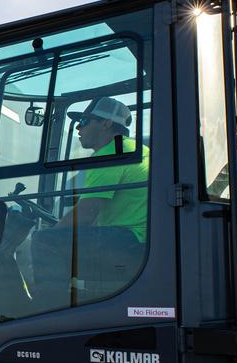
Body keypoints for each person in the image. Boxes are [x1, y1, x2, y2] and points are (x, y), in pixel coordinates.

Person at [31, 97, 150, 306]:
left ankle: (48, 314)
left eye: (84, 121)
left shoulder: (110, 154)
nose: (78, 127)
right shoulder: (136, 149)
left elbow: (86, 214)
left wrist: (54, 231)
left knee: (45, 241)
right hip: (139, 242)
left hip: (127, 243)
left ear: (106, 124)